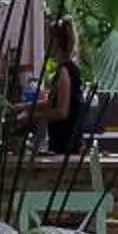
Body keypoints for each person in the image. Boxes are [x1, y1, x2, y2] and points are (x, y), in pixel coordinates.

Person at [33, 20, 91, 154]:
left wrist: (35, 116)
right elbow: (52, 102)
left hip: (65, 142)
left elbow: (62, 111)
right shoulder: (67, 68)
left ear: (56, 42)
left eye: (48, 40)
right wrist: (24, 107)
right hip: (64, 140)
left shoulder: (64, 71)